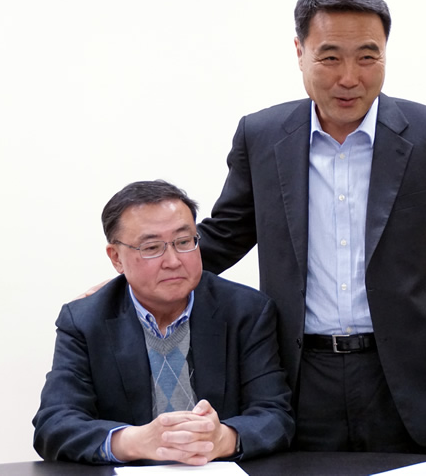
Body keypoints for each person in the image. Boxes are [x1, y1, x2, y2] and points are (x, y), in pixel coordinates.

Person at [196, 0, 426, 455]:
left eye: (368, 57)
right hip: (300, 376)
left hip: (412, 377)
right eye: (330, 57)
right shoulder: (262, 136)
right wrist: (137, 277)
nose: (350, 77)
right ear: (300, 52)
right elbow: (224, 237)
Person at [33, 180, 294, 465]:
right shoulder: (84, 321)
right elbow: (54, 423)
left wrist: (223, 438)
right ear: (116, 258)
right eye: (152, 247)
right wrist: (135, 441)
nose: (173, 261)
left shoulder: (246, 311)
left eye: (184, 242)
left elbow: (275, 415)